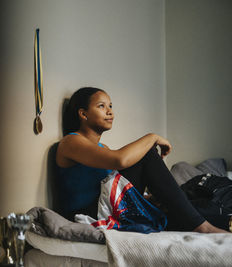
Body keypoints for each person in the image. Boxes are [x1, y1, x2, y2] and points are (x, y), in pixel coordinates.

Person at [56, 87, 229, 233]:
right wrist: (152, 137)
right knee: (146, 154)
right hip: (87, 214)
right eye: (101, 106)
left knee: (186, 204)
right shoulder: (70, 142)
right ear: (83, 114)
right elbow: (120, 161)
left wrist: (149, 197)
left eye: (110, 106)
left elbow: (113, 184)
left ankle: (224, 222)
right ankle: (204, 228)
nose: (110, 111)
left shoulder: (104, 149)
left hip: (108, 208)